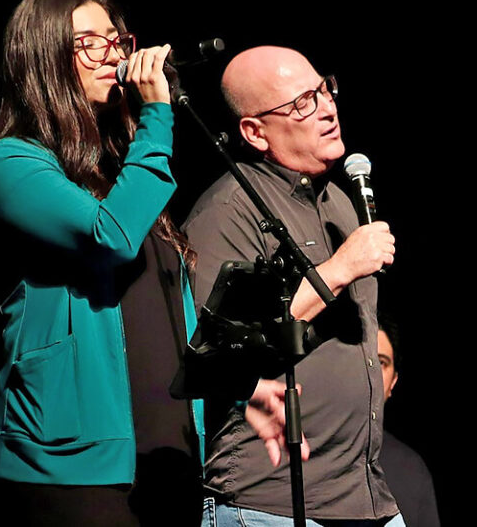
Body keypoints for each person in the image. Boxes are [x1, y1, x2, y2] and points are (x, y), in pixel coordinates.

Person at [0, 0, 202, 525]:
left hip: (168, 458)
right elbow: (110, 237)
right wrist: (156, 118)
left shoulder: (126, 168)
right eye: (89, 42)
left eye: (115, 40)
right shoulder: (10, 163)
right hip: (70, 464)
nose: (112, 54)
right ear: (43, 58)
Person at [183, 46, 401, 526]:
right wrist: (337, 270)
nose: (327, 108)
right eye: (302, 102)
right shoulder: (228, 212)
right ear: (254, 131)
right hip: (271, 502)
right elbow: (219, 352)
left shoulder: (340, 202)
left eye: (324, 89)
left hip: (365, 495)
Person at [377, 318, 441, 527]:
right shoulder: (300, 452)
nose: (370, 372)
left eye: (381, 362)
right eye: (362, 360)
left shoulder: (411, 469)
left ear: (393, 381)